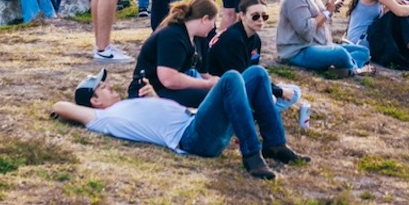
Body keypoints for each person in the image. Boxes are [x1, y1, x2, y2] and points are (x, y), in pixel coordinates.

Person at [51, 65, 305, 180]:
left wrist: (153, 98)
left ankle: (275, 145)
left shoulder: (123, 107)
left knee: (257, 74)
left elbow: (162, 116)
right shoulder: (102, 117)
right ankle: (252, 155)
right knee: (230, 79)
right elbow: (59, 106)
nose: (111, 87)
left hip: (195, 122)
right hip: (192, 139)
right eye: (104, 87)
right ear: (95, 101)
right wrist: (68, 110)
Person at [208, 0, 305, 117]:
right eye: (255, 16)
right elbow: (240, 78)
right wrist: (278, 91)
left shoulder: (255, 39)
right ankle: (252, 113)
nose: (260, 20)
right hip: (223, 90)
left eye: (264, 16)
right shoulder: (233, 39)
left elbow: (253, 73)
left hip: (244, 85)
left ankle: (256, 111)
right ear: (242, 16)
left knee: (294, 91)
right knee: (273, 98)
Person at [276, 0, 373, 75]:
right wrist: (327, 11)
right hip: (299, 49)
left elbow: (321, 18)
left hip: (320, 43)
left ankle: (346, 68)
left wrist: (330, 8)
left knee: (363, 51)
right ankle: (354, 70)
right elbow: (305, 29)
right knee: (339, 53)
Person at [130, 0, 222, 109]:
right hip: (151, 90)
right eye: (213, 21)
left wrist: (216, 81)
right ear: (205, 19)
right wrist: (206, 85)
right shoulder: (173, 36)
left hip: (168, 89)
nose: (213, 26)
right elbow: (169, 79)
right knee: (215, 99)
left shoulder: (198, 38)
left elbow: (203, 73)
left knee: (220, 93)